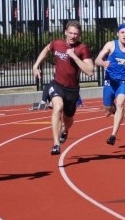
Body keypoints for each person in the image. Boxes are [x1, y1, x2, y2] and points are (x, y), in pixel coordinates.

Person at [32, 20, 94, 155]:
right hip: (57, 84)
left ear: (79, 35)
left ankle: (65, 130)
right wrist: (36, 65)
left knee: (68, 119)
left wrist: (74, 57)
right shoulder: (57, 44)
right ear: (65, 32)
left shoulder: (82, 48)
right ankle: (56, 144)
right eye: (70, 33)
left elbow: (90, 71)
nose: (73, 36)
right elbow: (46, 49)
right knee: (58, 107)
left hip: (72, 90)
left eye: (76, 34)